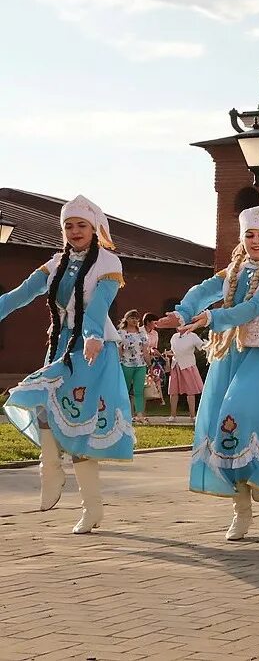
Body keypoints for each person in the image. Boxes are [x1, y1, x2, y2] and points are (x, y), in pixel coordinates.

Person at [155, 204, 259, 541]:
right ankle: (241, 509)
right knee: (223, 429)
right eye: (250, 234)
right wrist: (184, 312)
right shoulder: (233, 270)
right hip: (227, 355)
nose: (256, 240)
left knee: (240, 414)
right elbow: (202, 291)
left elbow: (254, 308)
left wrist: (210, 319)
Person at [0, 196, 135, 533]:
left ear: (95, 229)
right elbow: (20, 294)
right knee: (41, 405)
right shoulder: (55, 263)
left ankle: (91, 508)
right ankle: (51, 470)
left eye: (81, 225)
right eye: (68, 226)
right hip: (60, 346)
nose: (75, 231)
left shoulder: (108, 263)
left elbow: (98, 307)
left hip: (93, 350)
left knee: (78, 426)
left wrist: (91, 335)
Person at [117, 309, 151, 421]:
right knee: (124, 390)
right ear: (126, 319)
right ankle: (123, 414)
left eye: (137, 318)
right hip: (126, 364)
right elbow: (119, 350)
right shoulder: (121, 333)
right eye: (132, 318)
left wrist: (149, 364)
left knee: (139, 390)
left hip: (140, 365)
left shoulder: (141, 333)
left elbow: (145, 350)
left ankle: (140, 414)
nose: (135, 320)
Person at [168, 330, 205, 422]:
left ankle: (192, 416)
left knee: (191, 391)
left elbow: (202, 346)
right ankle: (173, 416)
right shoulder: (174, 336)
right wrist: (168, 353)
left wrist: (212, 344)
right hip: (176, 365)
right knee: (173, 391)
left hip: (188, 365)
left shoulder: (192, 336)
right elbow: (173, 351)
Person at [141, 313, 167, 408]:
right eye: (154, 322)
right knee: (141, 382)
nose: (156, 325)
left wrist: (161, 356)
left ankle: (159, 397)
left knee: (157, 377)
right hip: (139, 359)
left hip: (151, 359)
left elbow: (154, 348)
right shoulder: (139, 331)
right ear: (148, 322)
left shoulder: (155, 333)